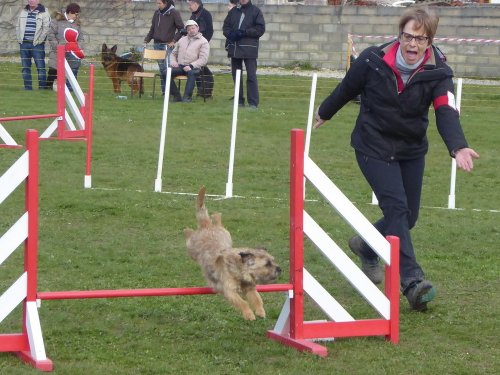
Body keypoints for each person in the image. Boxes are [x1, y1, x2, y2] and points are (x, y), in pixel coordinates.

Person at [314, 7, 479, 312]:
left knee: (408, 216)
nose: (412, 44)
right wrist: (324, 112)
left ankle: (365, 244)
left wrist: (458, 146)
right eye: (408, 36)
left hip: (410, 149)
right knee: (396, 208)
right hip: (372, 145)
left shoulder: (439, 73)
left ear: (429, 42)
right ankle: (413, 282)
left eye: (420, 38)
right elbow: (347, 87)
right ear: (399, 34)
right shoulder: (372, 59)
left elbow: (445, 110)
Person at [223, 0, 265, 109]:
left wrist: (244, 32)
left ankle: (253, 102)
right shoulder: (233, 11)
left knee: (251, 76)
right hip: (235, 49)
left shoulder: (256, 11)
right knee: (236, 77)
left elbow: (260, 29)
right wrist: (231, 34)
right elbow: (226, 27)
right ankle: (239, 100)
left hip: (249, 50)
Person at [144, 0, 184, 96]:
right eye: (156, 3)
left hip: (167, 45)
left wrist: (174, 41)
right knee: (162, 69)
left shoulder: (174, 13)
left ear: (165, 3)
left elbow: (181, 29)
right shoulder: (156, 13)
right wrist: (147, 39)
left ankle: (170, 91)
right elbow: (152, 28)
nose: (157, 5)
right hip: (157, 44)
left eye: (159, 3)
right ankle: (165, 92)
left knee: (167, 69)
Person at [46, 3, 84, 92]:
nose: (77, 16)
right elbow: (51, 35)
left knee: (71, 72)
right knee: (54, 70)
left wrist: (77, 48)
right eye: (76, 14)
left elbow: (81, 38)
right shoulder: (57, 21)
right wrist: (58, 47)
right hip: (57, 52)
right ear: (70, 12)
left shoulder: (77, 24)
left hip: (72, 54)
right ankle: (48, 89)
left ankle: (69, 89)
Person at [169, 20, 209, 103]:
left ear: (197, 28)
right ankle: (177, 96)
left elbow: (203, 59)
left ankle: (187, 98)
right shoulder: (181, 40)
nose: (191, 30)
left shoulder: (204, 42)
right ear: (187, 31)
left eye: (193, 28)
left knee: (192, 73)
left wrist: (191, 66)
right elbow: (173, 53)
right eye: (189, 29)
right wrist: (173, 61)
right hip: (180, 66)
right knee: (166, 72)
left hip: (195, 68)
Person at [16, 0, 51, 90]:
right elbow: (18, 26)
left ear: (38, 1)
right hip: (24, 44)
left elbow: (46, 28)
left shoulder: (44, 12)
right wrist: (20, 39)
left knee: (40, 67)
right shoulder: (23, 11)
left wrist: (39, 40)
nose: (31, 1)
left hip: (37, 45)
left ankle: (42, 88)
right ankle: (28, 88)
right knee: (25, 68)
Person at [187, 0, 214, 98]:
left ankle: (205, 91)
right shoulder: (193, 16)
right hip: (193, 46)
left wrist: (203, 43)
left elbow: (210, 30)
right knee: (196, 68)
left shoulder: (206, 14)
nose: (189, 7)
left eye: (190, 5)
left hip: (202, 46)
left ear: (196, 4)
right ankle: (201, 90)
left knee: (201, 68)